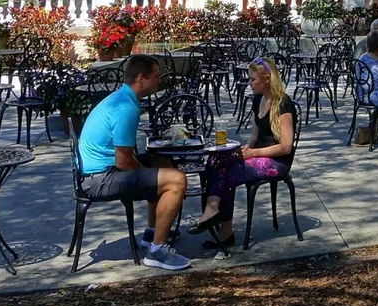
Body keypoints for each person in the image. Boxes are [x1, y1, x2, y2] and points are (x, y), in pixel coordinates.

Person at [75, 53, 191, 271]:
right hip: (98, 179)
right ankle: (157, 252)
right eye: (156, 76)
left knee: (161, 160)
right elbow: (124, 162)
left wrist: (151, 173)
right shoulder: (126, 108)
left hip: (97, 172)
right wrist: (148, 174)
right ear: (141, 79)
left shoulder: (120, 98)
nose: (159, 81)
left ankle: (152, 232)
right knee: (176, 180)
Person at [188, 56, 297, 248]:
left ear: (267, 79)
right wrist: (247, 147)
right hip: (258, 153)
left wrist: (254, 154)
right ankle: (217, 217)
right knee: (215, 160)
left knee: (227, 171)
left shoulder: (283, 104)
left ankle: (218, 219)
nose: (250, 83)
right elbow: (255, 133)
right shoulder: (258, 100)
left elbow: (286, 146)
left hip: (276, 161)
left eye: (253, 79)